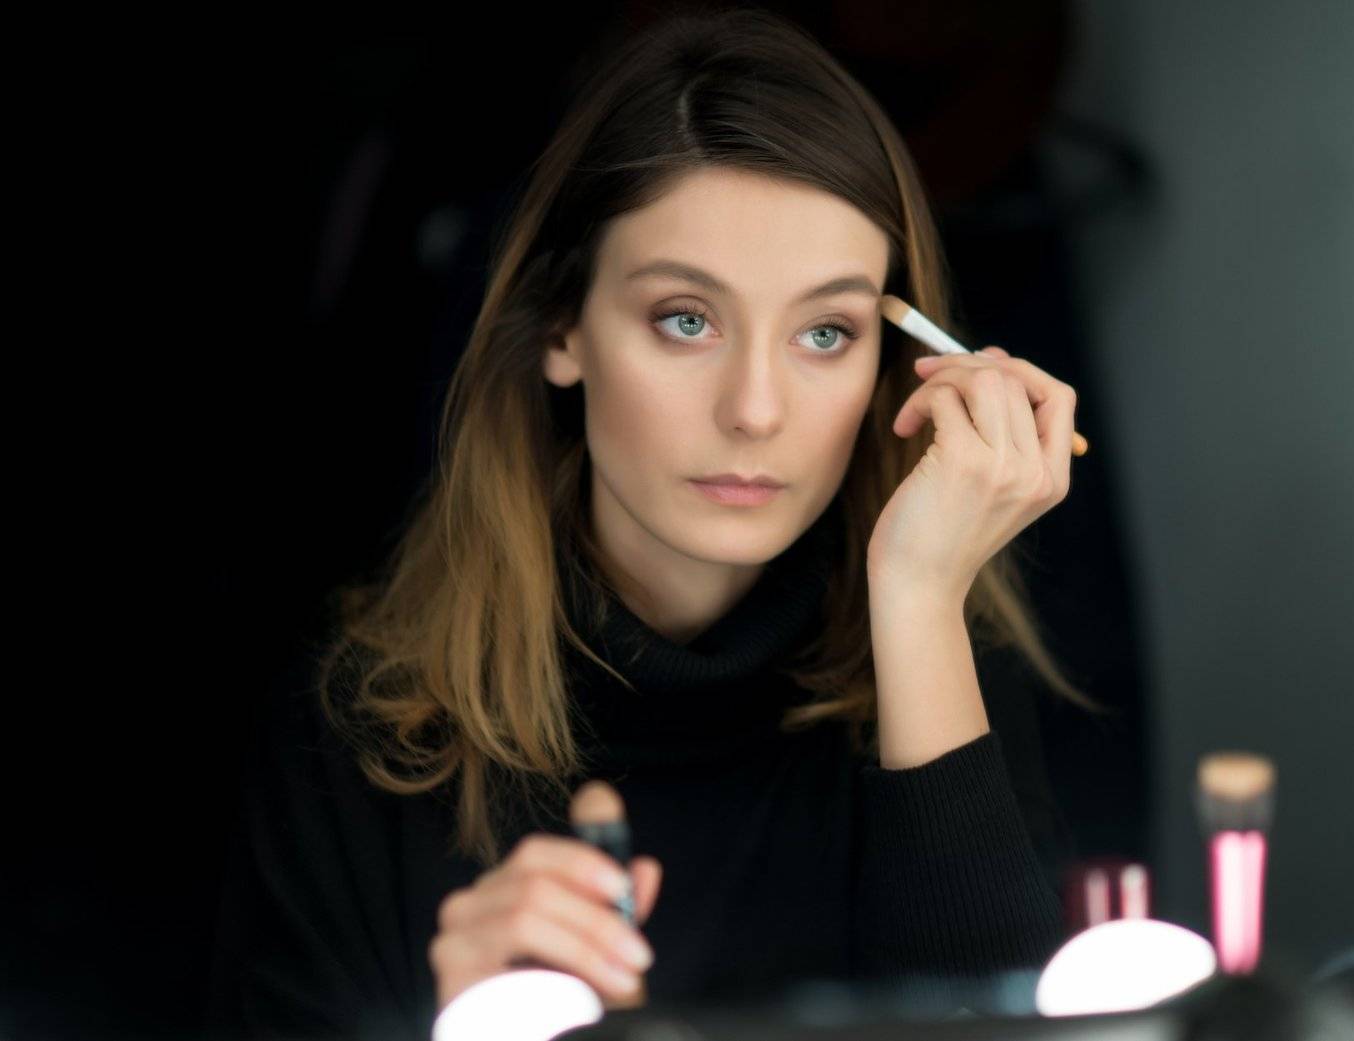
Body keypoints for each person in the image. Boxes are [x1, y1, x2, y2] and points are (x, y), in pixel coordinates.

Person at [208, 8, 1100, 1040]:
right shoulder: (358, 734)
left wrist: (918, 598)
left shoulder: (944, 664)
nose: (755, 409)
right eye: (686, 319)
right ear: (562, 328)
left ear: (894, 362)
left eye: (825, 332)